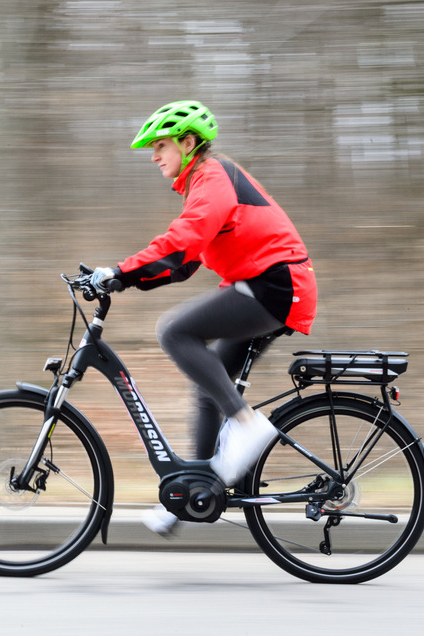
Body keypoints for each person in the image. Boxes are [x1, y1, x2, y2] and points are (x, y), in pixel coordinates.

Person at [90, 100, 317, 535]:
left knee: (174, 331)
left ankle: (247, 425)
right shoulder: (204, 182)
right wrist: (126, 277)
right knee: (208, 385)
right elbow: (183, 262)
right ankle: (192, 494)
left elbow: (184, 239)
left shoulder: (211, 176)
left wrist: (120, 272)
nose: (154, 156)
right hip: (270, 286)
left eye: (160, 146)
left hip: (275, 286)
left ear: (188, 143)